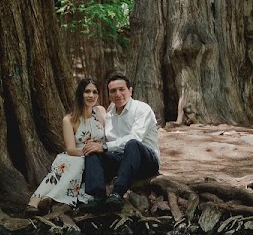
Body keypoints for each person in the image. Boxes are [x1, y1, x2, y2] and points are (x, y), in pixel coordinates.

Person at [81, 72, 160, 210]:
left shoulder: (142, 109)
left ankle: (117, 193)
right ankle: (98, 196)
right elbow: (108, 142)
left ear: (130, 90)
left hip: (146, 161)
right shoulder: (110, 114)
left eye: (121, 89)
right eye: (113, 91)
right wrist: (97, 146)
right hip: (122, 161)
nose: (118, 94)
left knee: (132, 144)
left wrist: (105, 147)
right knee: (92, 150)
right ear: (109, 95)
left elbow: (136, 137)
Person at [28, 77, 106, 211]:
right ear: (80, 94)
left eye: (94, 92)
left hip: (98, 155)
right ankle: (34, 202)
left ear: (98, 95)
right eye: (87, 91)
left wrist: (97, 149)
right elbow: (70, 149)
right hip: (77, 154)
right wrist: (87, 151)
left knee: (78, 163)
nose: (91, 95)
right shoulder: (69, 119)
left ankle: (49, 198)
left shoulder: (100, 111)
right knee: (65, 165)